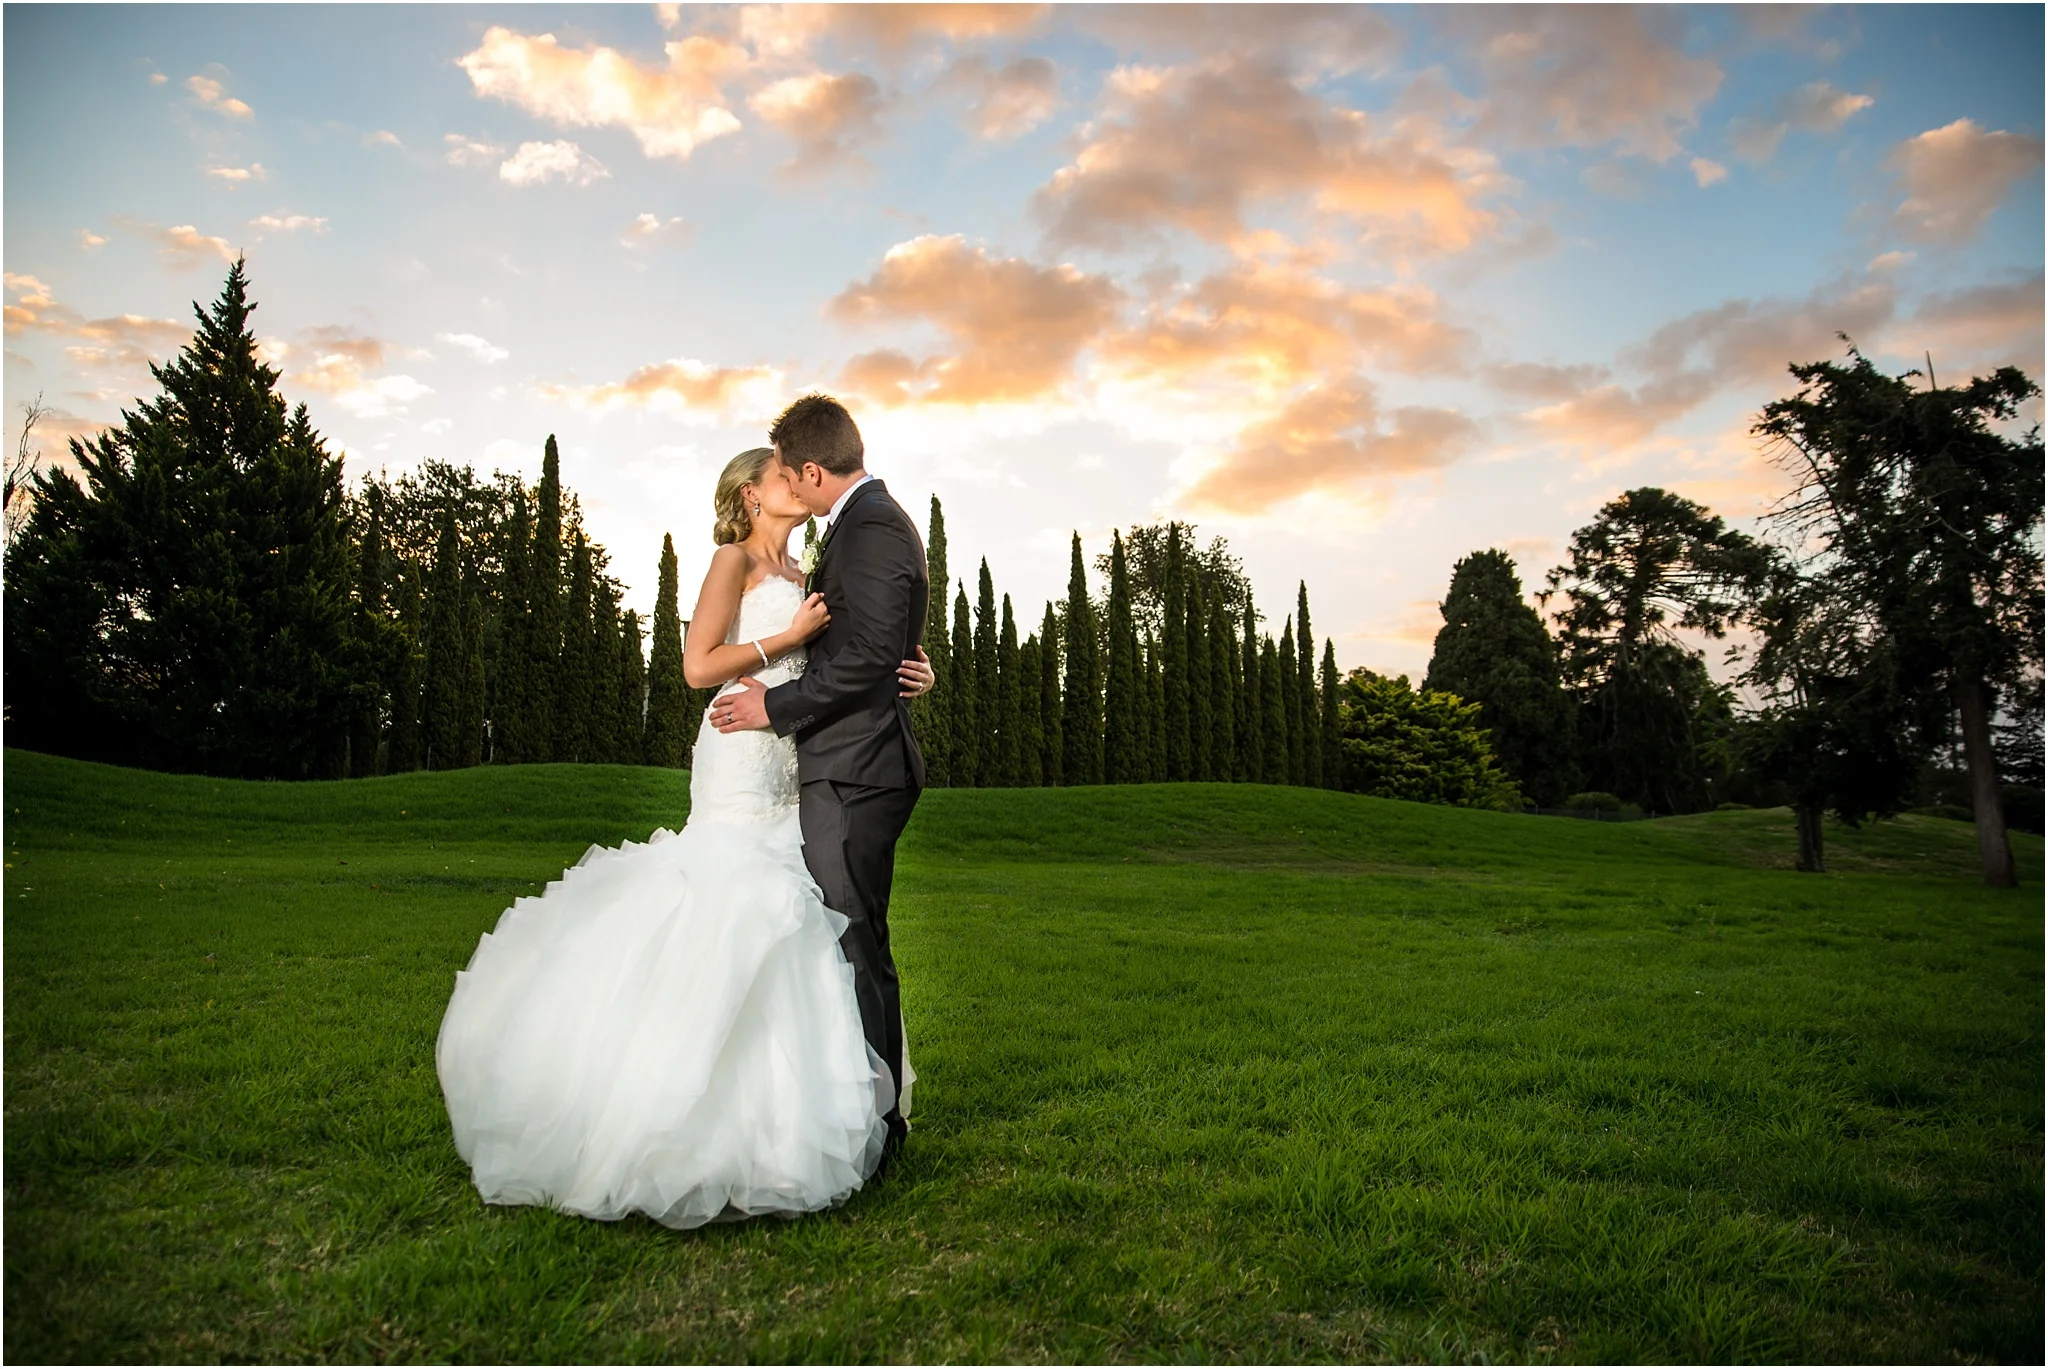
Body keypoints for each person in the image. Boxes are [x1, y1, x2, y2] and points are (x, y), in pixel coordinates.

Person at [435, 444, 935, 1229]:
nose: (794, 479)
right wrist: (783, 639)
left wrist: (911, 670)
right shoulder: (733, 560)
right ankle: (677, 1112)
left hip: (793, 760)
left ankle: (803, 1118)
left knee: (804, 914)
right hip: (740, 748)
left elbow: (852, 655)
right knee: (731, 894)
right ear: (750, 496)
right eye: (778, 473)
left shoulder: (807, 572)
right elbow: (698, 666)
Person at [710, 393, 928, 1171]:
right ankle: (862, 1116)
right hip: (817, 764)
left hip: (852, 768)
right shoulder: (860, 526)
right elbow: (870, 643)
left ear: (809, 471)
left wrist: (775, 705)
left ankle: (876, 1127)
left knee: (854, 945)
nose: (785, 484)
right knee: (844, 943)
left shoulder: (869, 527)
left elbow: (866, 653)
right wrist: (905, 664)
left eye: (787, 471)